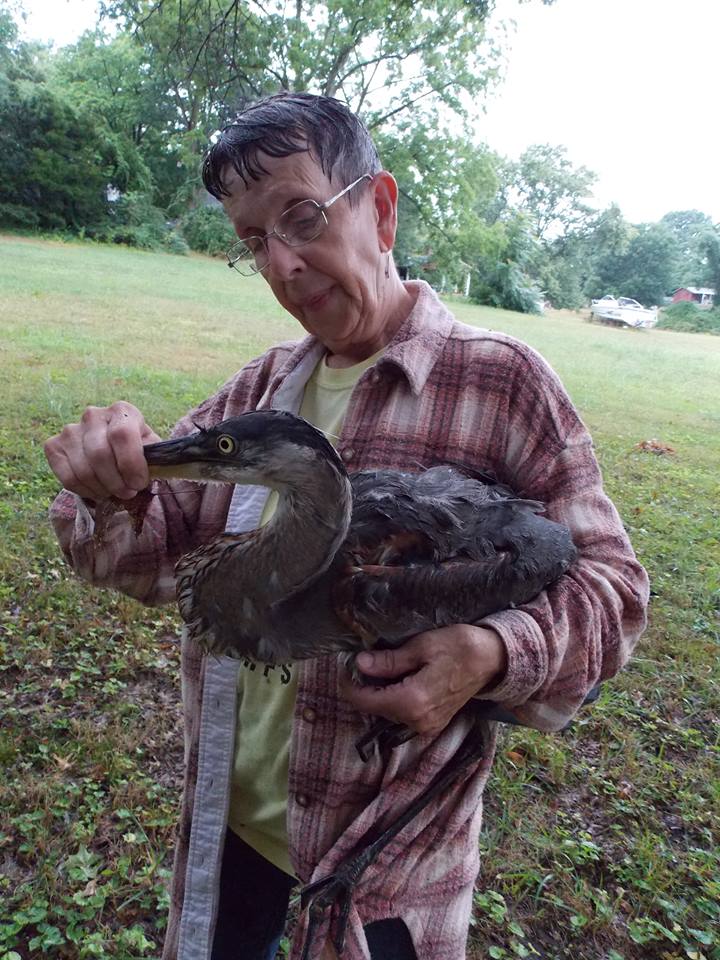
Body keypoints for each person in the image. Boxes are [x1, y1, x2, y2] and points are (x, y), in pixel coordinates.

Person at [44, 92, 649, 960]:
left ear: (382, 206)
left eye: (302, 217)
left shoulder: (505, 383)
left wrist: (491, 655)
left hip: (384, 878)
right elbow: (149, 555)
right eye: (255, 242)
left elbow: (616, 594)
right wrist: (106, 486)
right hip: (232, 830)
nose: (284, 264)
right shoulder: (261, 392)